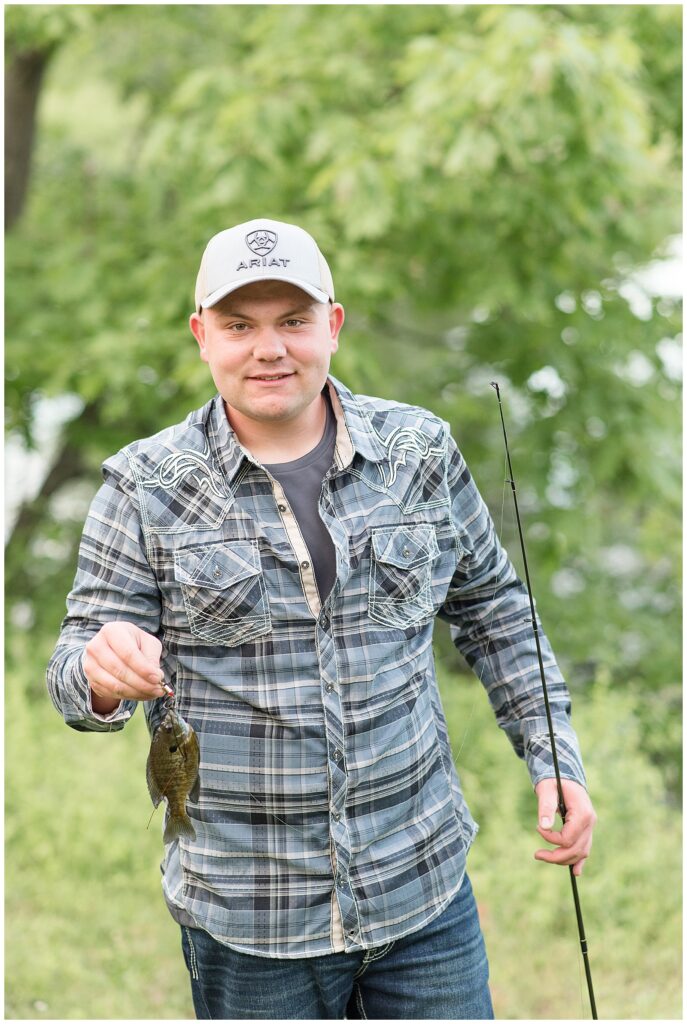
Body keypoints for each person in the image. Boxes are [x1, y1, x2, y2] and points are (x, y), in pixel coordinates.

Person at [47, 217, 596, 1020]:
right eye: (240, 326)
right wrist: (98, 675)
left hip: (422, 887)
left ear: (331, 326)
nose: (268, 349)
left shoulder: (419, 452)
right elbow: (71, 671)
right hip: (248, 916)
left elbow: (495, 613)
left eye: (292, 322)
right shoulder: (143, 486)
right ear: (203, 337)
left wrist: (554, 758)